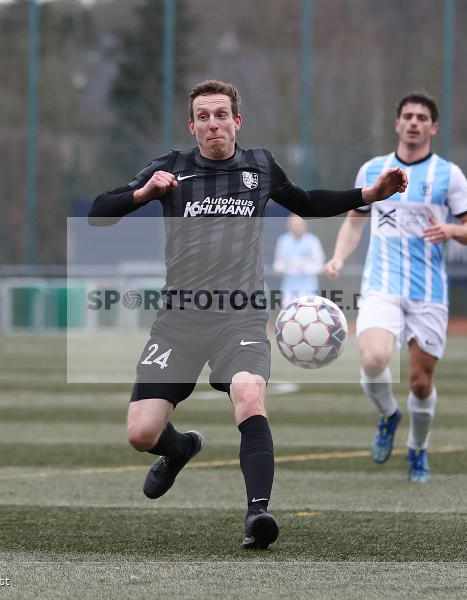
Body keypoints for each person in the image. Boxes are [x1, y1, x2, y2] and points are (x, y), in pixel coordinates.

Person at [89, 80, 407, 549]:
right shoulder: (171, 169)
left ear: (237, 120)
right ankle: (181, 448)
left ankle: (258, 514)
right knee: (141, 433)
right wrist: (142, 194)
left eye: (221, 114)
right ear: (191, 125)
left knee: (249, 396)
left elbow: (308, 201)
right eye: (203, 116)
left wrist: (368, 193)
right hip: (178, 321)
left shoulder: (259, 166)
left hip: (239, 317)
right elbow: (98, 212)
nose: (213, 123)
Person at [324, 92, 467, 483]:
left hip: (429, 292)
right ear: (397, 124)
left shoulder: (449, 175)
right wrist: (339, 257)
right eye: (408, 116)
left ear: (432, 127)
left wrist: (452, 229)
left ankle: (417, 448)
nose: (414, 122)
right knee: (373, 359)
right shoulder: (373, 170)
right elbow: (354, 221)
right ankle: (388, 415)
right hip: (381, 285)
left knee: (420, 381)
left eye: (421, 117)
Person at [273, 214, 325, 306]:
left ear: (304, 225)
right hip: (288, 290)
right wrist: (282, 268)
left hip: (309, 289)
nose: (296, 227)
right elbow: (278, 264)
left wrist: (304, 267)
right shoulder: (283, 241)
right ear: (288, 225)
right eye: (293, 224)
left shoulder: (313, 241)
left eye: (298, 224)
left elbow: (319, 265)